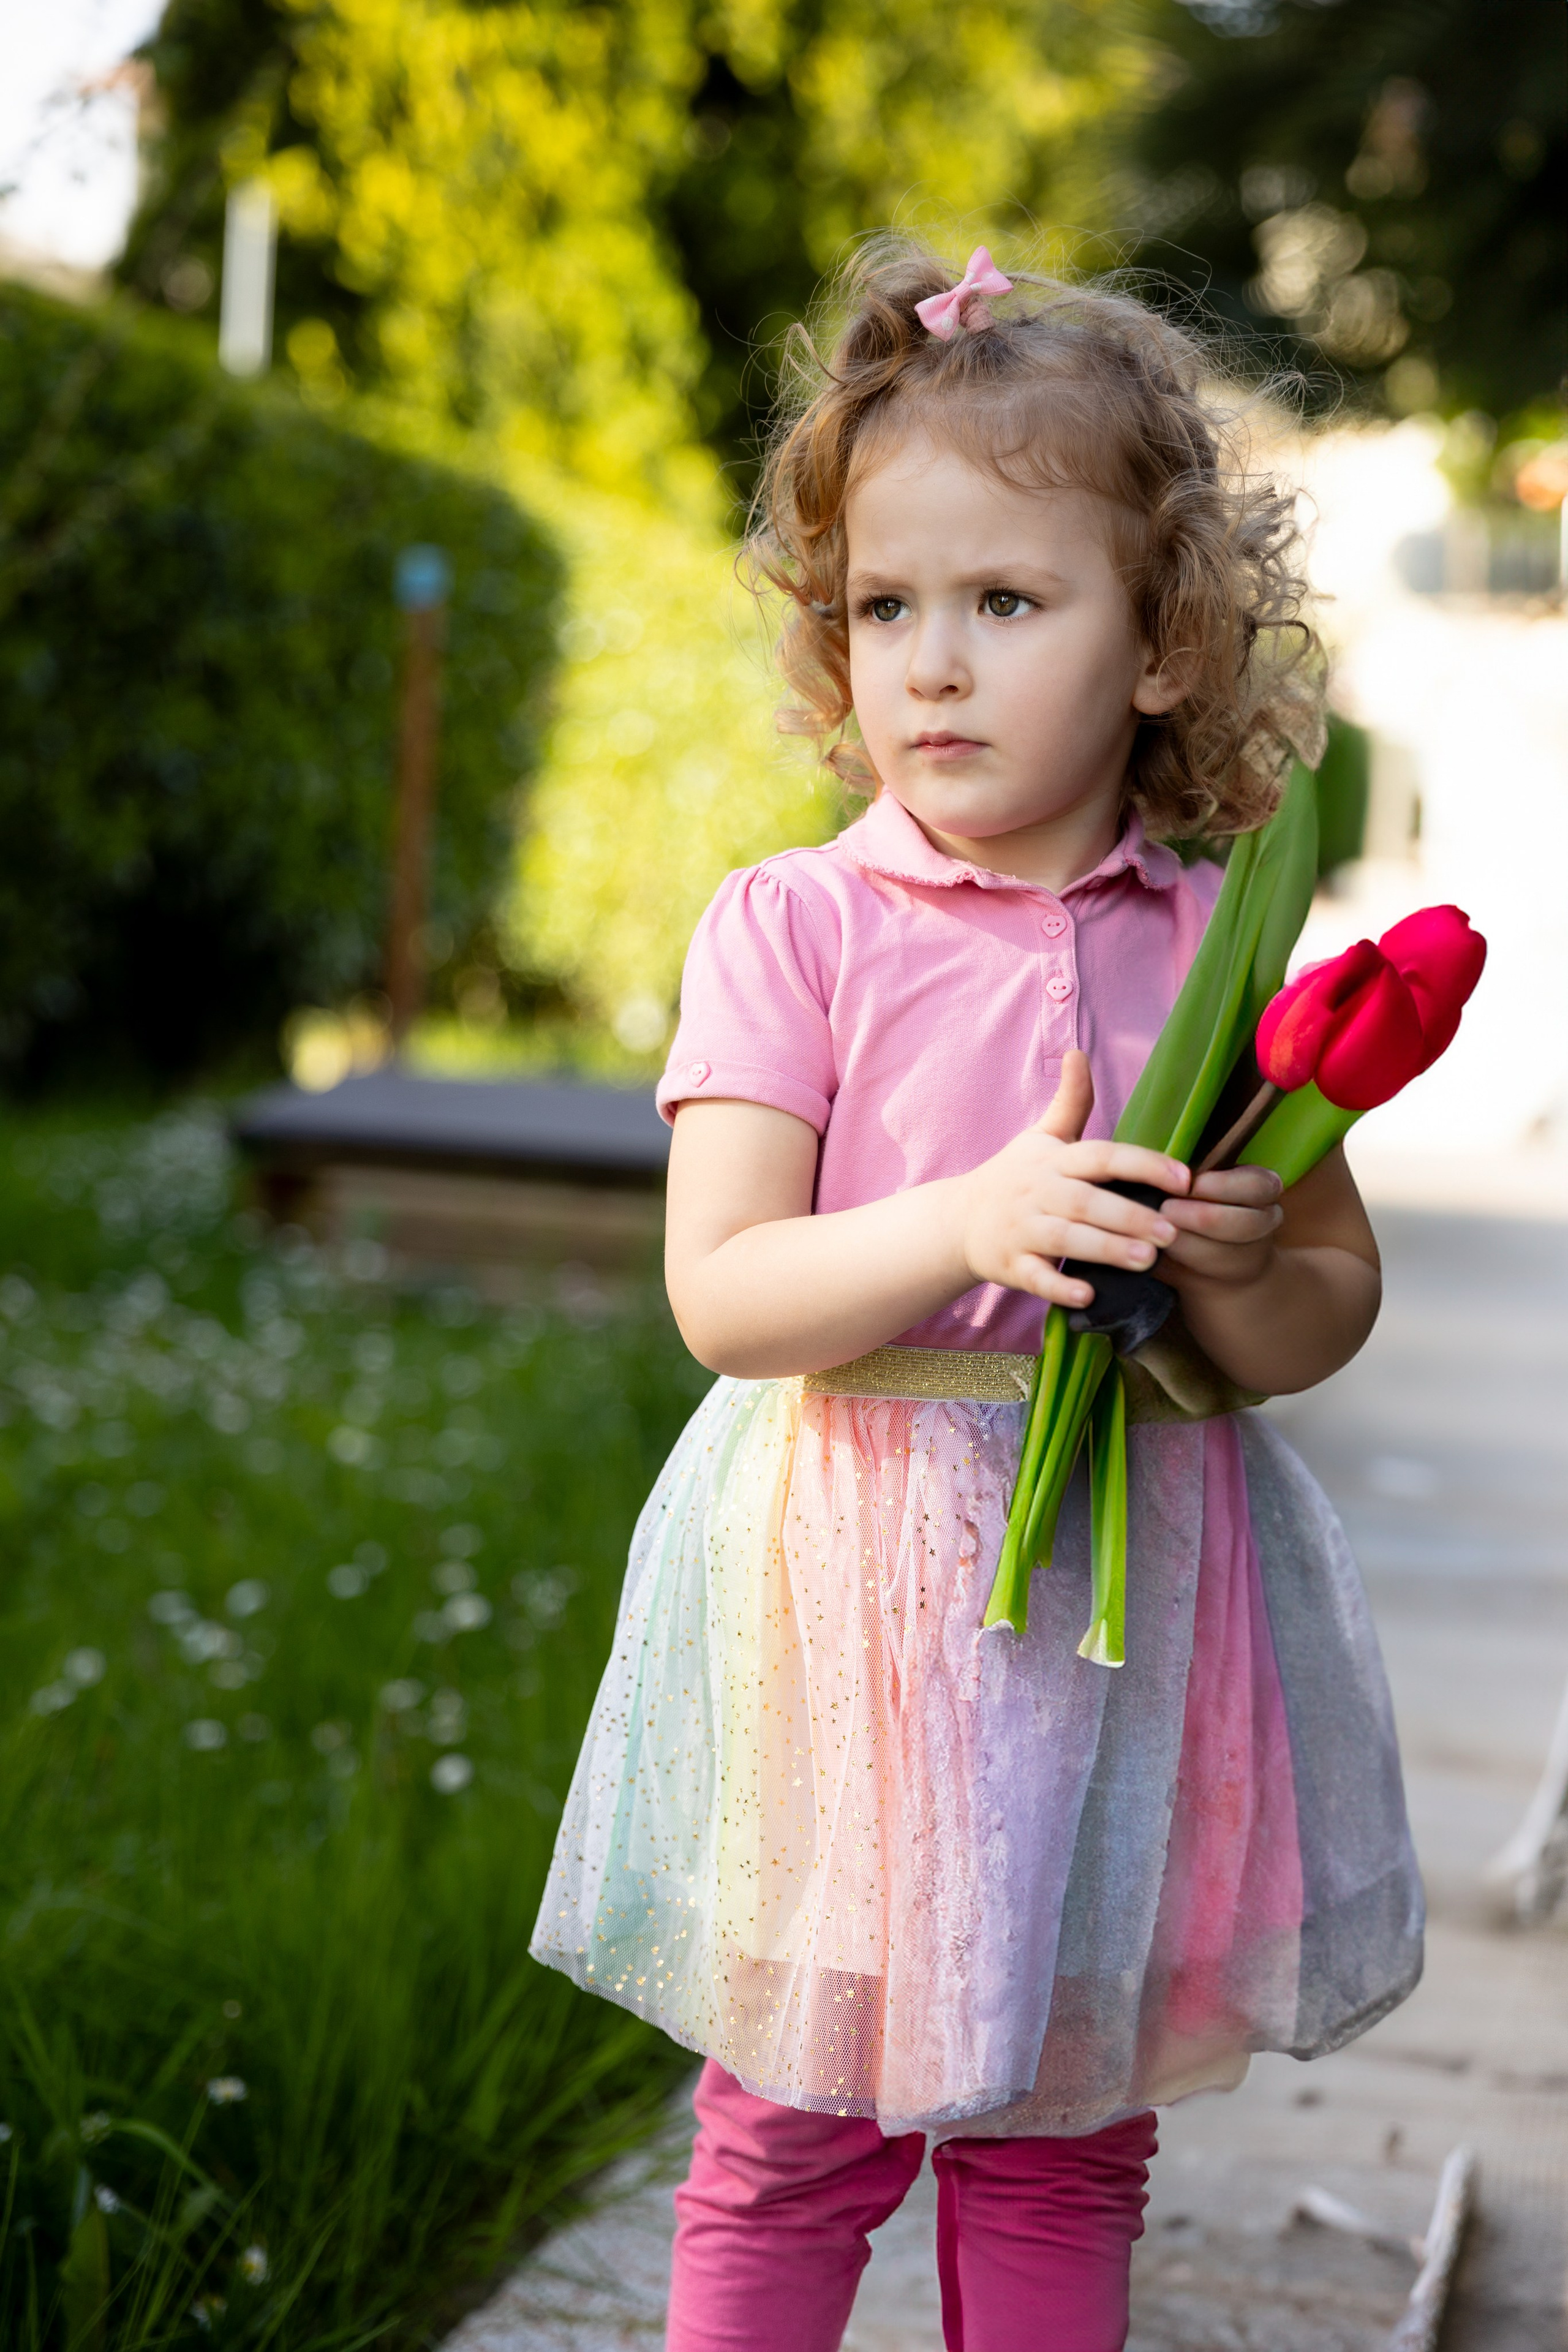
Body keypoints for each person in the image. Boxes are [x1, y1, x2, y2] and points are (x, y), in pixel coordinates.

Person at [530, 238, 1422, 2352]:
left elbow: (1325, 1303)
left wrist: (1233, 1274)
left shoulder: (1215, 948)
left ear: (1165, 644)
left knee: (1066, 2124)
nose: (930, 666)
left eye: (1008, 604)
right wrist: (968, 1220)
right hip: (856, 1590)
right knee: (796, 2125)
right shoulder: (798, 926)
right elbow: (727, 1293)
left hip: (1130, 1592)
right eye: (884, 608)